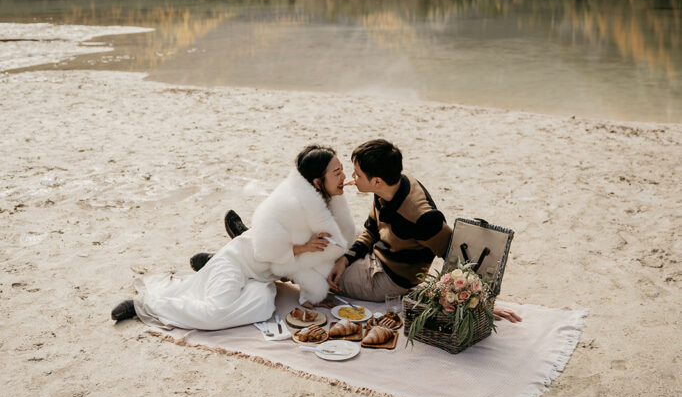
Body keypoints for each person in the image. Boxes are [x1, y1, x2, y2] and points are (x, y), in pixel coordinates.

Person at [110, 145, 356, 330]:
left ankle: (210, 266)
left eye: (342, 170)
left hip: (261, 277)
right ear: (317, 181)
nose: (344, 176)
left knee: (263, 308)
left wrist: (312, 297)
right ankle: (145, 305)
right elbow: (265, 250)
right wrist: (302, 248)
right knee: (214, 313)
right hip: (238, 261)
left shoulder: (327, 202)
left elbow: (316, 257)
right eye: (337, 172)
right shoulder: (288, 206)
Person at [327, 139, 522, 324]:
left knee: (314, 269)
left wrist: (481, 301)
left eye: (357, 174)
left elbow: (456, 256)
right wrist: (346, 260)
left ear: (377, 181)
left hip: (387, 279)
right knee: (325, 241)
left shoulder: (422, 217)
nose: (352, 178)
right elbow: (371, 230)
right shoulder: (391, 185)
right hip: (380, 251)